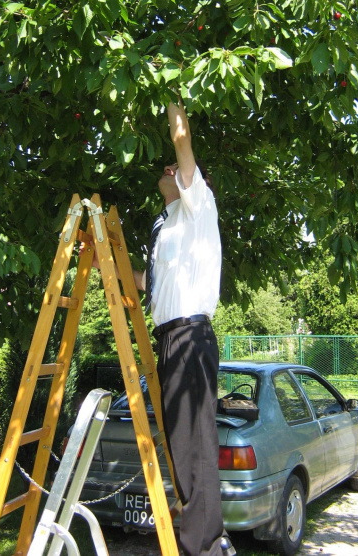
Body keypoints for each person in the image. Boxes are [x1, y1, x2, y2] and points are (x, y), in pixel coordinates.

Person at [135, 99, 235, 556]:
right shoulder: (164, 228)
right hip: (168, 339)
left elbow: (181, 139)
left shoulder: (198, 206)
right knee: (181, 448)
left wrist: (170, 91)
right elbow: (146, 286)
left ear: (181, 177)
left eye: (170, 167)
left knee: (195, 449)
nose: (165, 169)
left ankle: (206, 547)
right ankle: (195, 540)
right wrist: (103, 264)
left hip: (191, 336)